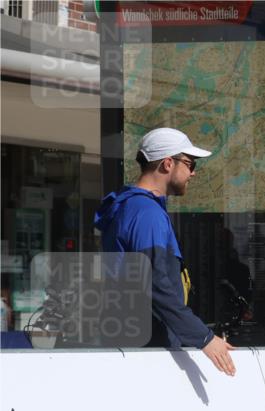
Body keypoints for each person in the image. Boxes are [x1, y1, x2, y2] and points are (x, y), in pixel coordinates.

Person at [94, 127, 235, 376]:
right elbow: (154, 284)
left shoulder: (133, 207)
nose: (193, 173)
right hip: (146, 349)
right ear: (168, 164)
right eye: (190, 164)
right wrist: (204, 338)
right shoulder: (146, 213)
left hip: (133, 343)